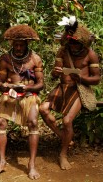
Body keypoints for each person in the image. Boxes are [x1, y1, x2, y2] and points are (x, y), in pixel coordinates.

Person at [39, 17, 100, 170]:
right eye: (70, 42)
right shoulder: (63, 51)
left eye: (75, 43)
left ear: (82, 43)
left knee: (67, 121)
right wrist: (55, 72)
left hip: (80, 89)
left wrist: (81, 77)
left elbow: (97, 79)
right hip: (62, 87)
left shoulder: (90, 55)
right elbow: (55, 74)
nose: (72, 46)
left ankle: (63, 154)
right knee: (43, 109)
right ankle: (64, 137)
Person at [0, 25, 43, 180]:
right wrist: (6, 86)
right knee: (1, 121)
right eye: (16, 45)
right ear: (12, 44)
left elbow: (41, 84)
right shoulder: (5, 59)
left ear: (27, 43)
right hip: (10, 95)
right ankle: (2, 161)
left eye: (22, 45)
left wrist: (28, 87)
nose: (19, 47)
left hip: (29, 95)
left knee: (33, 122)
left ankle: (32, 164)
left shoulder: (35, 59)